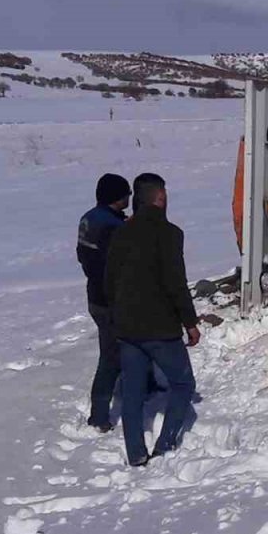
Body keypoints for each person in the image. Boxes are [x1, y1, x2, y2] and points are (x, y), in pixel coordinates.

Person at [105, 173, 201, 466]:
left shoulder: (121, 232)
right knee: (183, 383)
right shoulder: (170, 234)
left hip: (128, 328)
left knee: (132, 393)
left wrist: (118, 314)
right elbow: (175, 283)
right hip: (160, 329)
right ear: (160, 198)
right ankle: (165, 445)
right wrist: (190, 322)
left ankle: (135, 453)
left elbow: (109, 280)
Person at [77, 173, 131, 432]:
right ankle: (99, 416)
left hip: (95, 296)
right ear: (116, 197)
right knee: (110, 358)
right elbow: (122, 266)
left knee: (115, 352)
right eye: (126, 194)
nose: (129, 198)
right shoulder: (113, 228)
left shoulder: (89, 218)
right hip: (110, 301)